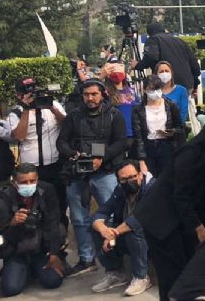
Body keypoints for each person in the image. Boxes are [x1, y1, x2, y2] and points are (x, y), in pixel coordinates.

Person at [133, 108, 205, 301]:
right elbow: (180, 196)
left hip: (183, 219)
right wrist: (199, 229)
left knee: (190, 271)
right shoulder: (190, 154)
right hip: (162, 220)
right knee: (173, 277)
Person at [55, 78, 128, 276]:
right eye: (86, 95)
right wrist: (73, 154)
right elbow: (61, 142)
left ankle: (115, 257)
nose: (90, 98)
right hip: (77, 173)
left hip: (105, 172)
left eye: (94, 94)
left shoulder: (114, 115)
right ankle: (86, 259)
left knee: (111, 215)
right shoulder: (74, 117)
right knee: (78, 218)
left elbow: (121, 142)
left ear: (102, 94)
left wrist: (101, 158)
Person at [0, 163, 64, 296]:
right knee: (11, 289)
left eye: (32, 181)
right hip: (16, 249)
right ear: (14, 182)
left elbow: (53, 222)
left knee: (53, 281)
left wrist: (54, 253)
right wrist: (13, 223)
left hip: (40, 247)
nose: (29, 184)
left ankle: (36, 267)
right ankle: (15, 269)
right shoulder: (3, 197)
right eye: (24, 182)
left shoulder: (47, 190)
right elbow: (5, 235)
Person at [6, 78, 68, 228]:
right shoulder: (16, 113)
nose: (31, 96)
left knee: (59, 202)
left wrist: (51, 106)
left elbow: (66, 125)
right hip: (32, 169)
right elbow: (19, 136)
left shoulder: (53, 105)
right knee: (36, 204)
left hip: (55, 165)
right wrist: (26, 109)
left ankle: (59, 236)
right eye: (26, 93)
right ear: (18, 95)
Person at [88, 160, 154, 296]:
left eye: (133, 177)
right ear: (118, 180)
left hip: (154, 239)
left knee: (134, 230)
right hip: (128, 237)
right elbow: (102, 211)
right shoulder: (120, 190)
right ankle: (115, 273)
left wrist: (114, 233)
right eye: (124, 179)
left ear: (140, 174)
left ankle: (142, 278)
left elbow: (138, 219)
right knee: (97, 229)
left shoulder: (152, 188)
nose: (129, 181)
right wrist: (103, 229)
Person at [131, 76, 185, 177]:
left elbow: (180, 127)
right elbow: (138, 137)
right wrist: (141, 161)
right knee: (151, 181)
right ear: (145, 90)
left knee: (167, 179)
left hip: (167, 146)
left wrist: (170, 132)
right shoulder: (138, 109)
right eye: (152, 89)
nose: (156, 92)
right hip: (148, 148)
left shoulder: (171, 105)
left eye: (158, 89)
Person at [133, 22, 202, 94]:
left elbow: (151, 58)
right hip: (186, 85)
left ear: (149, 33)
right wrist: (195, 84)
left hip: (167, 85)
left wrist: (138, 65)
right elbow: (194, 66)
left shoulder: (153, 40)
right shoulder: (180, 41)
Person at [101, 63, 139, 145]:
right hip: (115, 136)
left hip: (132, 134)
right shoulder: (105, 92)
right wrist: (101, 77)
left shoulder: (131, 91)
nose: (117, 74)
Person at [156, 61, 190, 127]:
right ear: (156, 74)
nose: (164, 73)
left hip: (176, 130)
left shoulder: (181, 90)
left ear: (171, 73)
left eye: (167, 71)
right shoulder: (154, 92)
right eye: (161, 71)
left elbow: (183, 113)